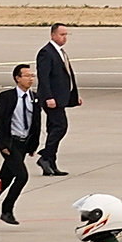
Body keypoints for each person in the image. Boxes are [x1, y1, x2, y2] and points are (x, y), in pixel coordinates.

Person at [0, 63, 40, 230]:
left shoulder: (34, 97)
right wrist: (3, 143)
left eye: (32, 76)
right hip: (10, 144)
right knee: (22, 176)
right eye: (27, 76)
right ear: (17, 78)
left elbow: (37, 123)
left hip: (24, 144)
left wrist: (34, 144)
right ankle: (7, 210)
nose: (30, 79)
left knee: (4, 181)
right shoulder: (7, 97)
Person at [33, 24, 78, 175]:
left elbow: (67, 76)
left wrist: (74, 97)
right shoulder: (46, 53)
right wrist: (48, 97)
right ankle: (45, 157)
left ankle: (50, 164)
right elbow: (43, 78)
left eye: (66, 34)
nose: (64, 37)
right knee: (61, 126)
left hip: (61, 98)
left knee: (54, 128)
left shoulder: (61, 52)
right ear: (53, 35)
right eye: (61, 34)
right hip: (52, 99)